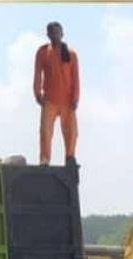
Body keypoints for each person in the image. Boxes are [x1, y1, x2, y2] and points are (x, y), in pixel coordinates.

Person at [34, 21, 80, 166]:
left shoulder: (71, 55)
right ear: (48, 35)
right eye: (52, 32)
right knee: (45, 132)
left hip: (67, 101)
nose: (55, 35)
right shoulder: (42, 53)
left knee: (71, 132)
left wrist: (76, 98)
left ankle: (70, 157)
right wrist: (37, 93)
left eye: (58, 32)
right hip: (50, 100)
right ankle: (45, 158)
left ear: (62, 33)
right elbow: (37, 74)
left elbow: (76, 77)